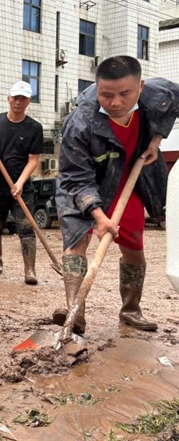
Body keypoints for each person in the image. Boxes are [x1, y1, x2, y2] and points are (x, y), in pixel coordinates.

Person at [53, 56, 178, 334]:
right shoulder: (80, 123)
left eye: (125, 94)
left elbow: (175, 102)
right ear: (96, 88)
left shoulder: (158, 94)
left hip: (128, 180)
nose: (116, 102)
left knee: (133, 245)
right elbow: (76, 178)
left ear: (140, 87)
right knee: (75, 244)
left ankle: (131, 310)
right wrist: (98, 216)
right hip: (82, 186)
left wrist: (156, 140)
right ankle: (76, 312)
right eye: (106, 95)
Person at [0, 81, 43, 285]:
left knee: (26, 227)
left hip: (22, 188)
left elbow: (33, 159)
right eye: (15, 98)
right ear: (9, 98)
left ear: (29, 101)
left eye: (23, 98)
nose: (18, 102)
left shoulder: (34, 128)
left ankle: (30, 270)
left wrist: (20, 183)